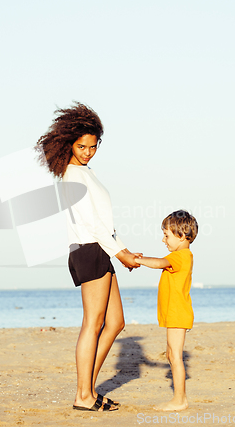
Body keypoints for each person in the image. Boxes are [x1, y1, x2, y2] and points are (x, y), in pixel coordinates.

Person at [35, 102, 141, 412]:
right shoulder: (72, 176)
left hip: (100, 249)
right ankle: (84, 395)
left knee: (115, 322)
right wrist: (120, 253)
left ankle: (88, 390)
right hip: (89, 250)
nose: (87, 152)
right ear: (69, 143)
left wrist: (122, 248)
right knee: (92, 324)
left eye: (93, 146)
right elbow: (93, 225)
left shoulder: (85, 172)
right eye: (82, 146)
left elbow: (104, 223)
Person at [135, 210, 198, 411]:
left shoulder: (181, 256)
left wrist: (137, 260)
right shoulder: (180, 255)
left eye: (166, 235)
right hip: (175, 314)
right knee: (171, 355)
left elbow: (158, 263)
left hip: (178, 314)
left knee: (175, 356)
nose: (163, 239)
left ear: (181, 236)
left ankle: (180, 400)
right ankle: (179, 398)